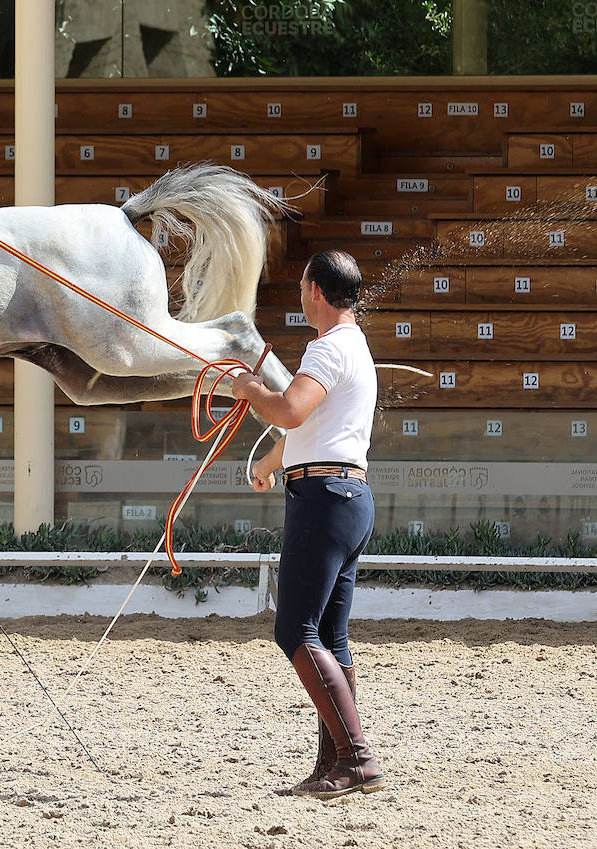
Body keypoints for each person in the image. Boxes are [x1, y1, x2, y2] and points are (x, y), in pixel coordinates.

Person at [230, 249, 385, 800]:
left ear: (316, 290)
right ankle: (334, 764)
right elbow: (313, 426)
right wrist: (269, 466)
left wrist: (252, 392)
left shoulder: (326, 348)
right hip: (347, 495)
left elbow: (290, 411)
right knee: (327, 635)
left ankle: (357, 757)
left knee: (293, 629)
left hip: (324, 498)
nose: (299, 293)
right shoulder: (354, 345)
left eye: (301, 286)